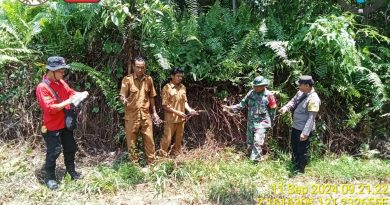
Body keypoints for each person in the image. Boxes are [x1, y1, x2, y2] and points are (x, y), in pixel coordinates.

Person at [36, 56, 89, 190]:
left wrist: (80, 94)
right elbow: (50, 108)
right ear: (52, 71)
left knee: (70, 148)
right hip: (52, 126)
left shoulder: (60, 82)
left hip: (65, 123)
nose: (63, 73)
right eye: (61, 71)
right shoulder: (42, 87)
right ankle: (50, 177)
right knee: (54, 151)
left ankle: (71, 172)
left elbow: (70, 92)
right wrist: (69, 101)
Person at [223, 76, 277, 162]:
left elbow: (273, 109)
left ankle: (255, 161)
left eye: (258, 86)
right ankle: (250, 157)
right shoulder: (251, 93)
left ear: (264, 86)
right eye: (255, 86)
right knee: (250, 142)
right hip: (251, 122)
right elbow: (241, 105)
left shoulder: (269, 95)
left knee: (257, 141)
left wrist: (271, 122)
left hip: (262, 122)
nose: (256, 88)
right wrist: (230, 108)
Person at [119, 56, 160, 166]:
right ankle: (134, 167)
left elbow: (152, 96)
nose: (140, 70)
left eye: (142, 67)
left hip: (145, 116)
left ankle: (152, 165)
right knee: (131, 143)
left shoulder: (149, 80)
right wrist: (124, 99)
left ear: (145, 67)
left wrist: (154, 113)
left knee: (149, 141)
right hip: (131, 117)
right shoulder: (127, 80)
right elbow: (122, 95)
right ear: (133, 67)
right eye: (137, 67)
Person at [279, 75, 321, 174]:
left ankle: (300, 170)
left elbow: (311, 118)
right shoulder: (300, 92)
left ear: (307, 85)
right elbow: (293, 101)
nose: (298, 86)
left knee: (302, 150)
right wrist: (286, 108)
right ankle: (294, 164)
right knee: (294, 147)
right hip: (296, 126)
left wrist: (305, 133)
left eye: (300, 85)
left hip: (304, 129)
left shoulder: (314, 99)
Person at [159, 68, 198, 157]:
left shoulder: (183, 87)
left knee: (178, 140)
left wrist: (190, 110)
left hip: (181, 119)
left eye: (181, 76)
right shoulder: (166, 88)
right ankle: (161, 159)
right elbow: (165, 106)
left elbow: (184, 102)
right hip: (170, 120)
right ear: (172, 76)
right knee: (167, 140)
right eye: (178, 76)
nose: (180, 78)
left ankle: (176, 157)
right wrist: (178, 113)